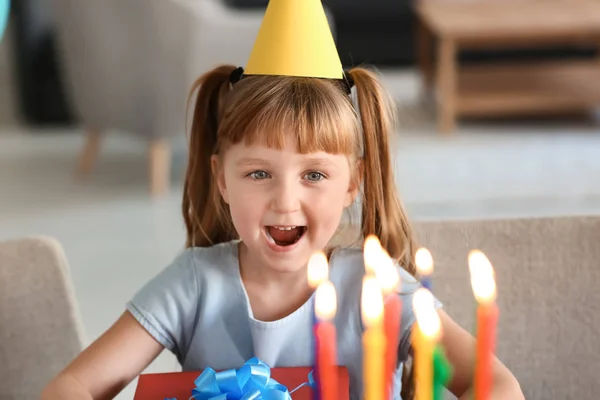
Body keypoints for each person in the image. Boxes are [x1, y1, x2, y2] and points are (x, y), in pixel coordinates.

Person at [42, 0, 524, 399]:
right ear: (222, 180)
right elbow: (73, 385)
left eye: (314, 173)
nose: (285, 200)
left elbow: (500, 385)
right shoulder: (192, 286)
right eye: (258, 173)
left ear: (353, 183)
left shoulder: (374, 287)